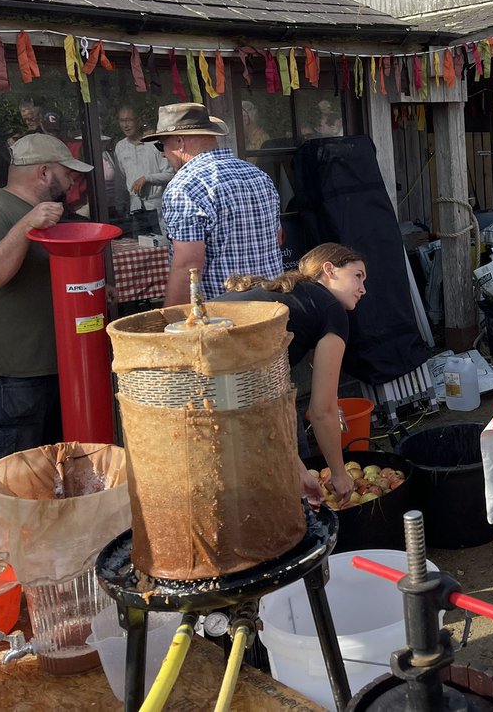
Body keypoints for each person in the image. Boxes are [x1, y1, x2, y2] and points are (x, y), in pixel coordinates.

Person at [0, 133, 95, 481]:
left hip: (50, 371)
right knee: (6, 482)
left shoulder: (45, 215)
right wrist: (26, 224)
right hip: (8, 378)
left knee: (50, 480)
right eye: (68, 173)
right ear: (45, 172)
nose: (73, 181)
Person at [218, 243, 367, 507]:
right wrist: (339, 474)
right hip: (222, 372)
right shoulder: (331, 310)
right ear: (329, 270)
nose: (363, 289)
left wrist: (296, 464)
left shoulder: (297, 297)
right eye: (358, 275)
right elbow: (322, 411)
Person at [144, 102, 282, 305]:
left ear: (180, 141)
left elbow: (188, 265)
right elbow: (277, 238)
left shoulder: (184, 186)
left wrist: (170, 320)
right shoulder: (258, 175)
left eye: (161, 146)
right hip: (273, 306)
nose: (163, 154)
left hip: (225, 316)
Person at [114, 105, 172, 236]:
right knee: (139, 247)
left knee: (163, 246)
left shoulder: (154, 143)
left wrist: (147, 178)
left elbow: (170, 175)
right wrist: (119, 205)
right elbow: (120, 180)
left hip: (157, 207)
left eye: (129, 120)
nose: (125, 125)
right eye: (122, 120)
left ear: (138, 120)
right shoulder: (120, 147)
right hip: (135, 209)